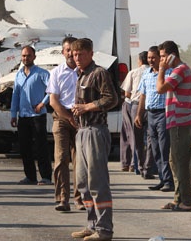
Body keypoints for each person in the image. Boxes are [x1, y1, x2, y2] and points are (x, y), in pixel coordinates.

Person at [69, 38, 118, 241]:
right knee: (83, 183)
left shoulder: (99, 73)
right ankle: (92, 225)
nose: (77, 58)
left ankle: (105, 230)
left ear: (91, 53)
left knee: (97, 182)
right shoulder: (81, 75)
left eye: (80, 54)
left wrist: (87, 107)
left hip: (96, 131)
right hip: (82, 130)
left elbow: (112, 99)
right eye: (74, 54)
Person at [156, 40, 191, 212]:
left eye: (163, 56)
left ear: (172, 55)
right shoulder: (179, 71)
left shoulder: (180, 70)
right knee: (175, 161)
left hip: (181, 123)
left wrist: (161, 70)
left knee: (180, 162)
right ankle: (178, 199)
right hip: (178, 121)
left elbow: (160, 88)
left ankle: (186, 202)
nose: (161, 60)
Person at [47, 36, 85, 212]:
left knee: (80, 161)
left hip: (82, 119)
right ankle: (63, 198)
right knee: (61, 159)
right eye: (67, 50)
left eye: (73, 50)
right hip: (62, 118)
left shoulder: (85, 72)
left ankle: (80, 198)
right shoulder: (56, 73)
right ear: (63, 52)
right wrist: (69, 118)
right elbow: (53, 101)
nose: (70, 53)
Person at [11, 45, 52, 185]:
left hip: (38, 116)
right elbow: (15, 94)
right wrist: (13, 114)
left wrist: (42, 103)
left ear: (34, 57)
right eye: (23, 56)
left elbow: (52, 90)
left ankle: (46, 176)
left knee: (41, 146)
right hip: (23, 116)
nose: (25, 58)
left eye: (28, 55)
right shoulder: (19, 75)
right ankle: (30, 176)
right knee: (24, 147)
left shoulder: (42, 73)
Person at [135, 46, 174, 193]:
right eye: (149, 58)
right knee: (155, 149)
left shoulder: (169, 73)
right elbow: (143, 96)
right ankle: (163, 179)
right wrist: (139, 114)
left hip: (164, 114)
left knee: (164, 149)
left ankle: (169, 181)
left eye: (154, 58)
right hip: (150, 114)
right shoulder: (146, 74)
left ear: (160, 58)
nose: (150, 60)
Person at [120, 51, 152, 176]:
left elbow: (127, 93)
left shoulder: (133, 72)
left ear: (139, 60)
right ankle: (148, 166)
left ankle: (134, 164)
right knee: (150, 138)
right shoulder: (154, 72)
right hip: (151, 108)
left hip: (135, 105)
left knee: (133, 135)